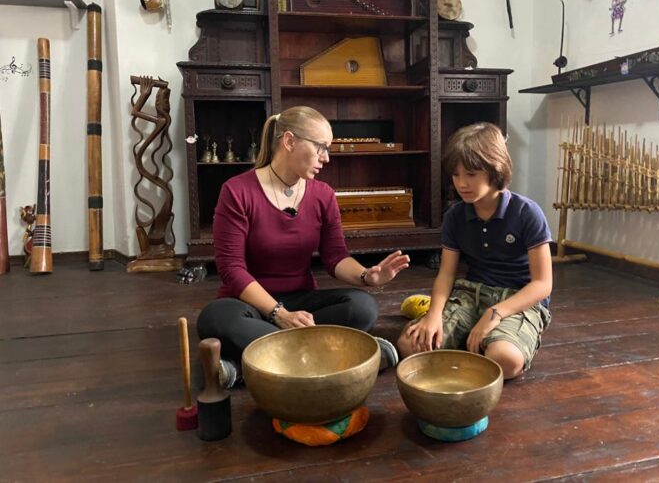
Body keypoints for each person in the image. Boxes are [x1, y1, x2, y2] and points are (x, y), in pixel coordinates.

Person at [197, 106, 410, 387]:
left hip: (302, 302)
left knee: (363, 307)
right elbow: (231, 269)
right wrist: (279, 314)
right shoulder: (237, 191)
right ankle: (342, 357)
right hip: (249, 304)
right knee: (215, 319)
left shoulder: (323, 195)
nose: (326, 158)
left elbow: (335, 256)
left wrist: (366, 276)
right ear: (289, 141)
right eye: (321, 147)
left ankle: (248, 365)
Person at [396, 123, 552, 379]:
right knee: (409, 345)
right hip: (471, 294)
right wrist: (433, 316)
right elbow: (446, 274)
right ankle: (472, 342)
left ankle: (483, 342)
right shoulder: (455, 216)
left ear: (496, 168)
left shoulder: (527, 212)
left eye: (471, 174)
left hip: (518, 300)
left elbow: (542, 284)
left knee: (505, 360)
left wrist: (495, 313)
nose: (461, 183)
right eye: (456, 175)